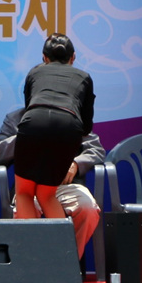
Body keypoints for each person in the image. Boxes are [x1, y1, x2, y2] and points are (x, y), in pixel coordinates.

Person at [0, 111, 104, 259]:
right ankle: (36, 263)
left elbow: (96, 149)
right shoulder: (15, 118)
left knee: (87, 208)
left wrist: (76, 163)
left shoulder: (72, 116)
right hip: (28, 187)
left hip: (66, 185)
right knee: (25, 207)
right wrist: (26, 134)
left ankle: (67, 260)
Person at [11, 34, 95, 223]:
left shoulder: (35, 72)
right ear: (73, 57)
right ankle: (61, 244)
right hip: (68, 127)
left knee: (24, 193)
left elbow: (29, 107)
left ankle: (35, 243)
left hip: (34, 122)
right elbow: (86, 127)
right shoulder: (84, 77)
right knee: (46, 195)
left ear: (44, 58)